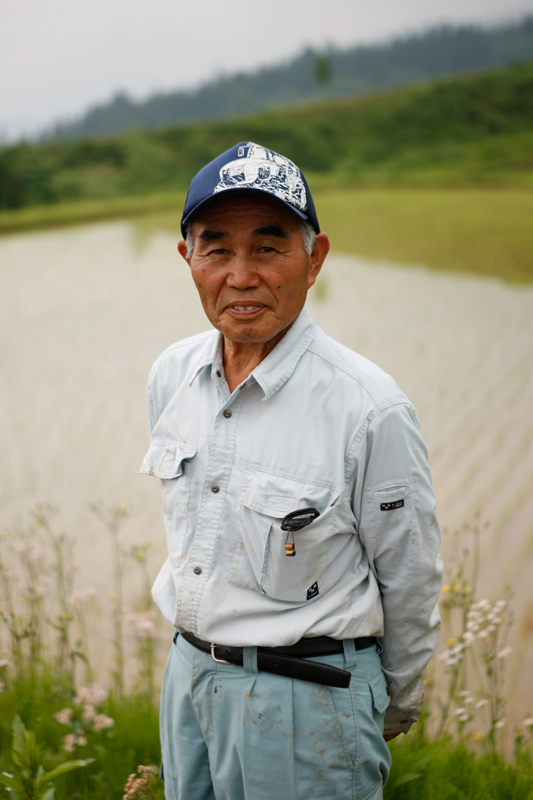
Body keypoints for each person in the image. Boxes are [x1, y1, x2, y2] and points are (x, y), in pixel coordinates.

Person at [141, 141, 443, 800]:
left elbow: (410, 576)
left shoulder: (368, 407)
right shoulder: (172, 375)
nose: (240, 274)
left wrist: (390, 705)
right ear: (187, 259)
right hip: (188, 680)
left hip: (309, 702)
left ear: (315, 259)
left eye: (268, 247)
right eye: (216, 248)